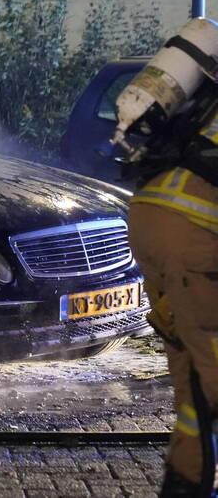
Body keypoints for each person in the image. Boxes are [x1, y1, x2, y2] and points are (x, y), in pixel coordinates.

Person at [129, 109, 218, 496]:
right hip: (193, 234)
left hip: (150, 218)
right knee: (213, 368)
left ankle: (186, 481)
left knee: (191, 372)